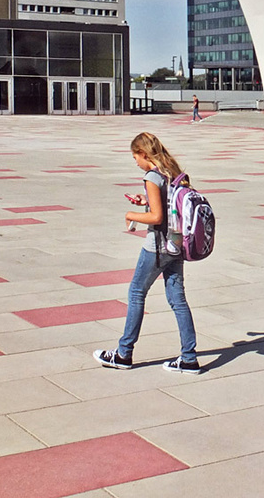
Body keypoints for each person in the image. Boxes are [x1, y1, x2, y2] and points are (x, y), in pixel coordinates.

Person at [93, 132, 200, 374]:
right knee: (178, 299)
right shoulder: (172, 171)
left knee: (136, 292)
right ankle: (189, 358)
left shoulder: (152, 176)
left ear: (144, 154)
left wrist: (131, 216)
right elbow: (167, 205)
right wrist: (146, 201)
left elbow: (157, 217)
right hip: (176, 244)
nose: (136, 163)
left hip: (157, 246)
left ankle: (123, 353)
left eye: (135, 158)